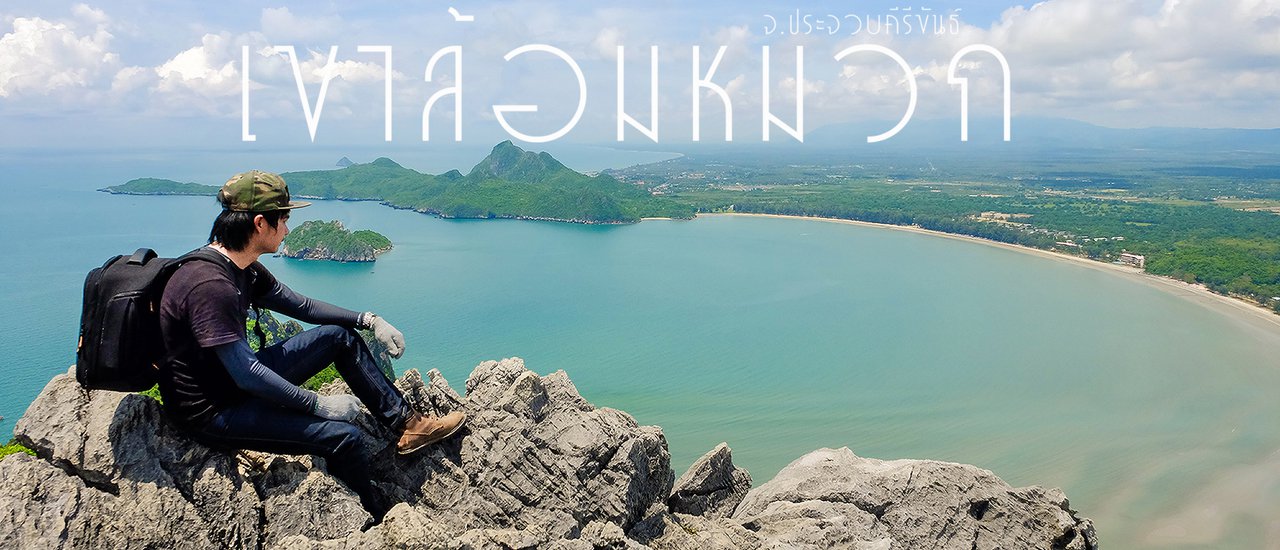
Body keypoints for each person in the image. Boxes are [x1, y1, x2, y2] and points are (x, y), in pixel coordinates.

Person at [157, 170, 465, 519]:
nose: (287, 230)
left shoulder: (243, 268)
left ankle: (409, 426)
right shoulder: (210, 285)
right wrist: (319, 404)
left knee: (339, 338)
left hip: (230, 381)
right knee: (345, 437)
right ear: (260, 223)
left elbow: (301, 307)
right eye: (284, 220)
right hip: (213, 409)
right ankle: (375, 515)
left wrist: (369, 319)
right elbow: (246, 373)